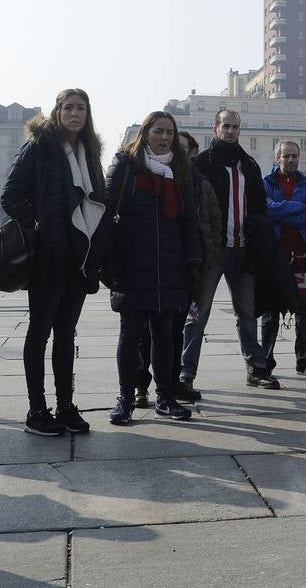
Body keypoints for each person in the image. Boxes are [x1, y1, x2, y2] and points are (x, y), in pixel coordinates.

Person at [0, 89, 110, 436]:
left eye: (81, 108)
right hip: (48, 256)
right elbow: (10, 195)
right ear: (57, 111)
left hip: (78, 257)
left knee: (66, 334)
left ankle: (65, 406)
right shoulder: (40, 146)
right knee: (40, 331)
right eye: (68, 108)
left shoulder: (90, 152)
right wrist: (39, 225)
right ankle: (36, 410)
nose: (74, 113)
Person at [105, 112, 202, 424]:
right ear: (145, 133)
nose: (164, 138)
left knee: (164, 334)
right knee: (130, 333)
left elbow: (189, 219)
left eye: (170, 133)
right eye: (158, 131)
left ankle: (166, 398)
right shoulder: (125, 165)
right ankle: (125, 397)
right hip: (132, 263)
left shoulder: (180, 169)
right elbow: (106, 213)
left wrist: (194, 261)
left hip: (170, 264)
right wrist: (107, 262)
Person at [181, 109, 279, 392]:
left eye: (235, 127)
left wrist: (259, 245)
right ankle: (184, 375)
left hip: (243, 249)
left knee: (247, 313)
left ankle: (256, 369)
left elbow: (260, 209)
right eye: (226, 126)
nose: (231, 131)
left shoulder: (248, 165)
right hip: (213, 250)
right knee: (198, 314)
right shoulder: (201, 163)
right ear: (216, 128)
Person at [138, 131, 220, 405]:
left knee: (173, 331)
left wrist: (206, 258)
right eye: (177, 147)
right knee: (143, 332)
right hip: (151, 262)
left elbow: (212, 223)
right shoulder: (146, 174)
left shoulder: (199, 183)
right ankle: (139, 386)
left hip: (185, 265)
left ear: (192, 152)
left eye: (185, 148)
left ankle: (172, 385)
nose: (180, 152)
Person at [260, 140, 306, 378]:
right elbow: (265, 211)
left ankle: (304, 361)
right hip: (275, 255)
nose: (290, 160)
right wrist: (297, 207)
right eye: (286, 156)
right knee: (270, 313)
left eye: (294, 156)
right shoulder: (266, 183)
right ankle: (264, 363)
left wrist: (283, 213)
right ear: (277, 158)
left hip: (302, 253)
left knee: (303, 313)